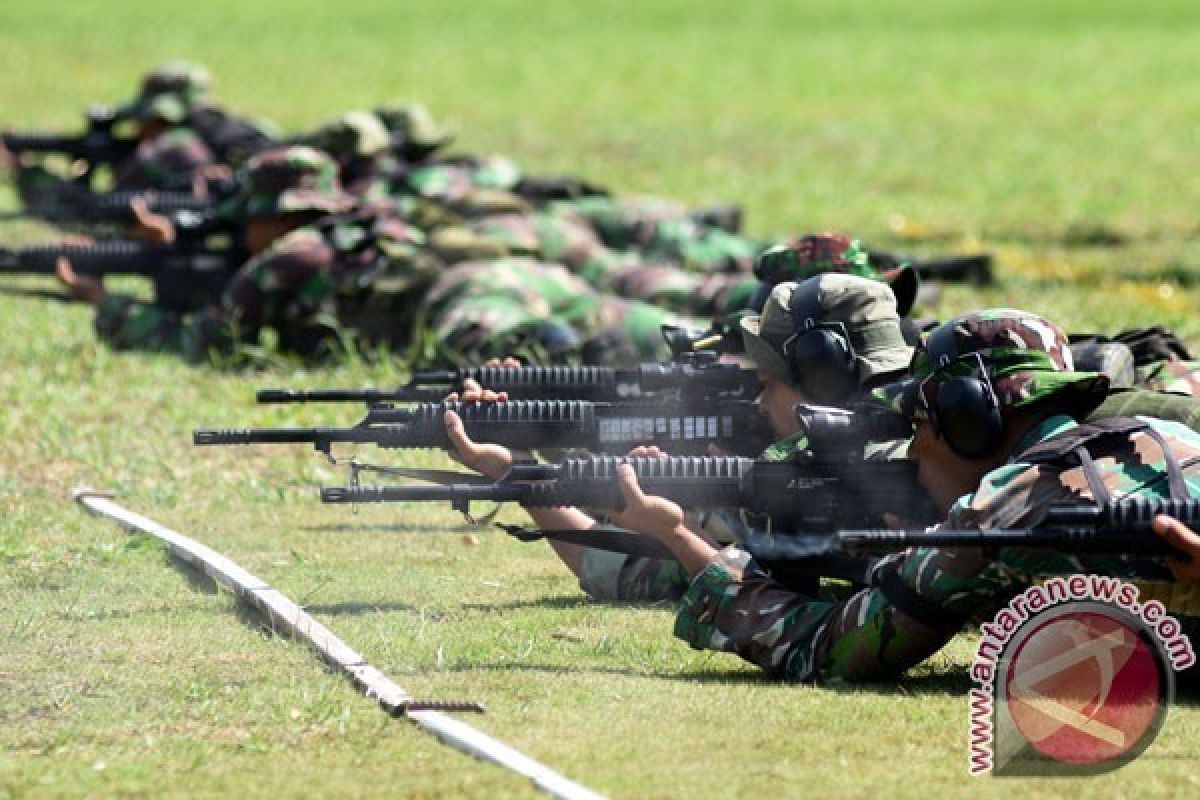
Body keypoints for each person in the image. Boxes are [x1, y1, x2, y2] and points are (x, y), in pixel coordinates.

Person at [613, 309, 1200, 681]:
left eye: (918, 426)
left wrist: (679, 537)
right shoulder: (1173, 438)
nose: (913, 452)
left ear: (969, 418)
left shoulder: (1001, 509)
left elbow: (828, 647)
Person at [443, 273, 915, 601]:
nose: (757, 400)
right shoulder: (933, 436)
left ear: (825, 379)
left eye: (767, 382)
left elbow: (617, 571)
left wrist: (515, 470)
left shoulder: (828, 482)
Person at [57, 145, 431, 362]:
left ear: (278, 214)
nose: (243, 230)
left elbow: (199, 344)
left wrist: (103, 300)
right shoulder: (375, 230)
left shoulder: (287, 261)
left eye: (248, 218)